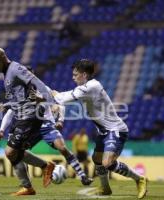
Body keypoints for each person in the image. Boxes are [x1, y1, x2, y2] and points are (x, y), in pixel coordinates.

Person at [52, 59, 147, 199]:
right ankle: (105, 188)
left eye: (75, 74)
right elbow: (63, 99)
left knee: (107, 163)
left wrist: (51, 93)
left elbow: (61, 98)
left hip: (115, 130)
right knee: (97, 159)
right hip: (104, 131)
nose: (73, 77)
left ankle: (139, 179)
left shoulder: (91, 86)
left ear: (84, 75)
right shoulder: (86, 87)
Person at [0, 47, 56, 195]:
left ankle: (39, 173)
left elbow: (37, 82)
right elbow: (19, 98)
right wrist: (6, 105)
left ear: (2, 58)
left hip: (29, 116)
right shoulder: (7, 73)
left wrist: (52, 101)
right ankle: (31, 184)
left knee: (10, 152)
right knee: (15, 153)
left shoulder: (16, 68)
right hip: (20, 117)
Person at [0, 102, 93, 188]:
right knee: (16, 152)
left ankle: (82, 176)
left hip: (46, 125)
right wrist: (1, 129)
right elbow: (10, 112)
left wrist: (60, 120)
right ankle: (30, 180)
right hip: (30, 126)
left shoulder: (42, 88)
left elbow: (60, 103)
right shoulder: (20, 92)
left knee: (62, 148)